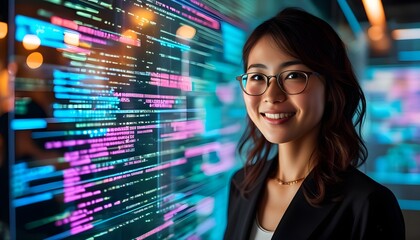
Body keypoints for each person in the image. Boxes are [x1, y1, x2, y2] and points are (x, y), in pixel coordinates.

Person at [223, 7, 405, 240]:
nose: (271, 95)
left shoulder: (368, 203)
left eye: (293, 75)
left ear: (331, 87)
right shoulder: (242, 184)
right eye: (258, 77)